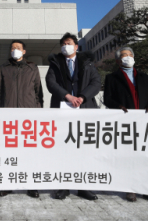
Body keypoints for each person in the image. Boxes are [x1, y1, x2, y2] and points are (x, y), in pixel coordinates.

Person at [103, 46, 148, 203]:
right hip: (124, 122)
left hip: (144, 121)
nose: (127, 57)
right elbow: (108, 98)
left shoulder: (143, 76)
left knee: (145, 155)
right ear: (118, 60)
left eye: (130, 55)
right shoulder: (112, 77)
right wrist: (118, 106)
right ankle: (130, 188)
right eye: (124, 55)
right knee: (128, 156)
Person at [46, 32, 101, 201]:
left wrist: (82, 96)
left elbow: (96, 83)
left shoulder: (88, 63)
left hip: (84, 110)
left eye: (68, 43)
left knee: (84, 149)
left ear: (76, 46)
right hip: (62, 109)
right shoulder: (55, 63)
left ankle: (84, 186)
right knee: (63, 149)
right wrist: (67, 96)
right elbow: (51, 83)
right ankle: (64, 185)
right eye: (63, 44)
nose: (65, 46)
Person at [0, 40, 43, 198]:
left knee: (29, 152)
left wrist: (38, 112)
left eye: (18, 48)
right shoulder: (3, 68)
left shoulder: (32, 68)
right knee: (9, 152)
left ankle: (31, 185)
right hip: (8, 116)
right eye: (13, 48)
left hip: (28, 116)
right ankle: (8, 184)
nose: (15, 50)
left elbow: (38, 92)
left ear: (24, 51)